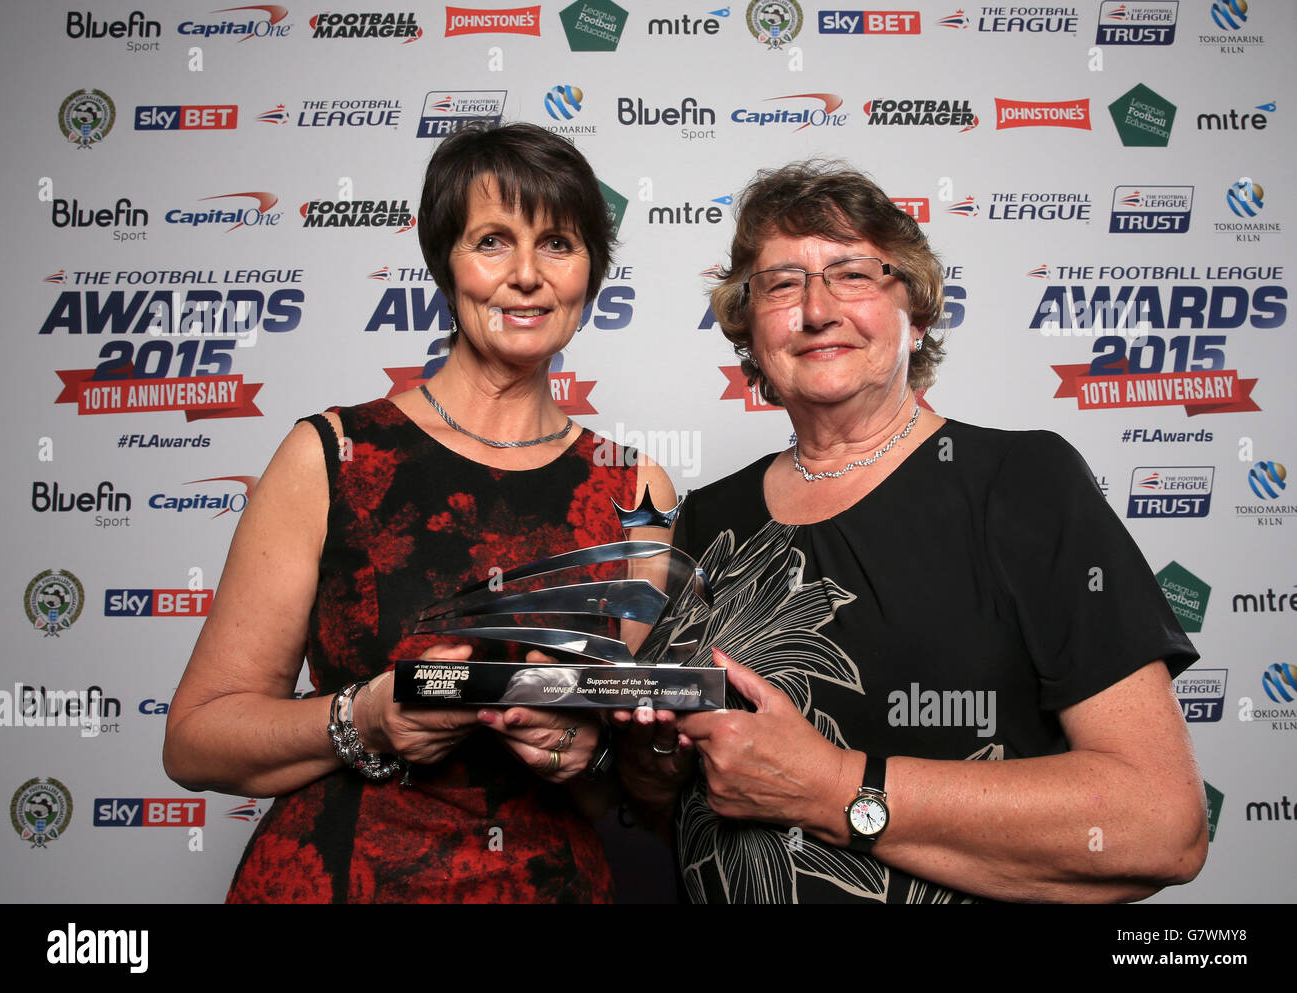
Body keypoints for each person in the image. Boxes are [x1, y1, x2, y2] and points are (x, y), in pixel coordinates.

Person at [617, 161, 1208, 903]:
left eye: (853, 274)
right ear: (747, 325)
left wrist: (833, 786)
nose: (817, 308)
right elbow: (663, 802)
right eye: (780, 283)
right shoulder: (707, 519)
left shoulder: (1021, 482)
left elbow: (1161, 823)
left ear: (916, 310)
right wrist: (654, 758)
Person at [163, 122, 674, 903]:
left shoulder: (636, 487)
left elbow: (641, 780)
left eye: (560, 244)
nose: (528, 276)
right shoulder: (333, 453)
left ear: (592, 275)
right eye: (494, 241)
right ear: (446, 261)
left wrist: (585, 749)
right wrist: (363, 716)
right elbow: (197, 740)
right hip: (337, 880)